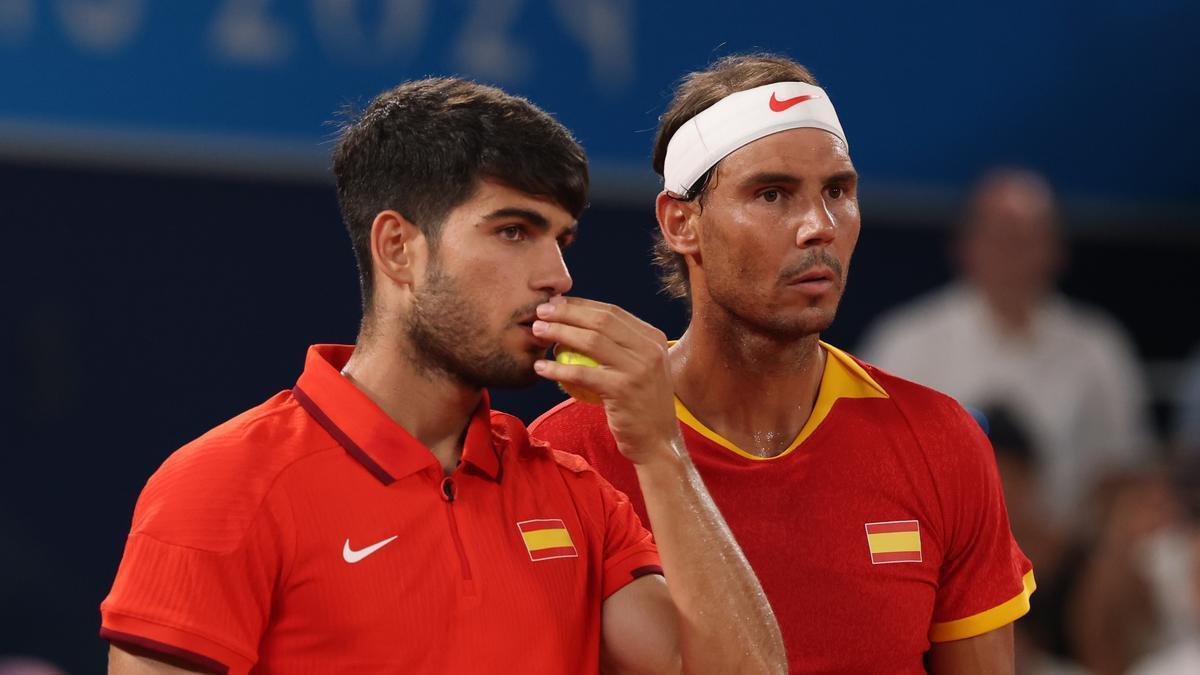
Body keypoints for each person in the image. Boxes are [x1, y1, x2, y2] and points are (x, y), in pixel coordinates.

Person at [100, 78, 785, 674]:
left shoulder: (577, 495)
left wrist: (661, 449)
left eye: (560, 238)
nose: (557, 275)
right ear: (399, 248)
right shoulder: (218, 489)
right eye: (513, 231)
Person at [529, 54, 1034, 674]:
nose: (818, 228)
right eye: (772, 194)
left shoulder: (942, 442)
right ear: (681, 222)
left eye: (838, 192)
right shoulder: (564, 455)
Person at [859, 168, 1153, 527]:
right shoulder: (904, 342)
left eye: (1027, 238)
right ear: (964, 245)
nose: (1012, 253)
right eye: (999, 236)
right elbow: (866, 464)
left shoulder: (1099, 348)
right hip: (934, 548)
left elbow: (1126, 470)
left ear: (1057, 249)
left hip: (1064, 556)